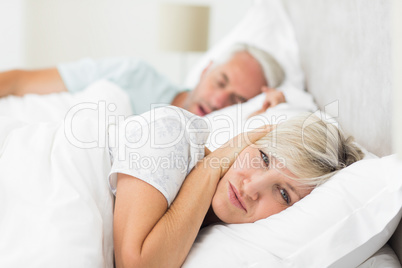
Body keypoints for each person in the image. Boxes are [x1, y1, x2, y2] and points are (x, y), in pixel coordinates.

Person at [109, 106, 364, 267]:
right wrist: (211, 167)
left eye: (284, 193)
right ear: (249, 140)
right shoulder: (169, 133)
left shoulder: (219, 233)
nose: (251, 188)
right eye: (264, 158)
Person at [0, 44, 286, 116]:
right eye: (221, 82)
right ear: (205, 69)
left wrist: (272, 112)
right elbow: (18, 83)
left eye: (237, 101)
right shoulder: (133, 74)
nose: (218, 101)